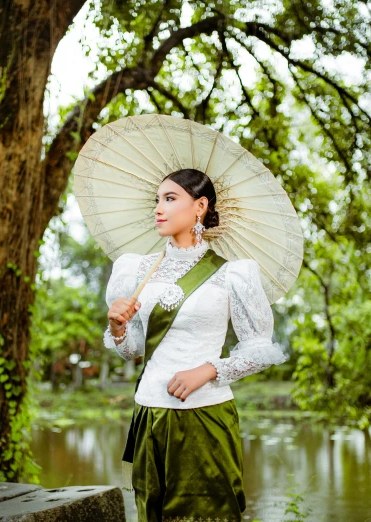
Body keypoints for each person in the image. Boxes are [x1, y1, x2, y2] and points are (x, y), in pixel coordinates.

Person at [103, 168, 289, 521]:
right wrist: (117, 328)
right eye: (157, 200)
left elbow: (261, 349)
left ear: (200, 206)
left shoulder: (231, 273)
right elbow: (133, 351)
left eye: (170, 199)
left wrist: (208, 370)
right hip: (149, 414)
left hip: (205, 415)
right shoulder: (136, 270)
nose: (158, 208)